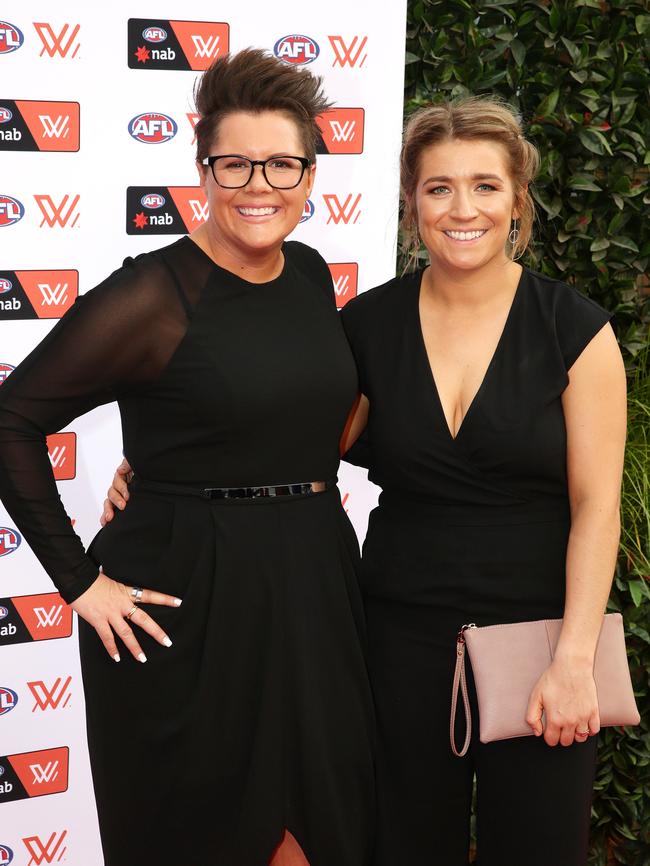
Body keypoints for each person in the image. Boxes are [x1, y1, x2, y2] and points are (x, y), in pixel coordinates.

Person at [104, 97, 627, 864]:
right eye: (438, 187)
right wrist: (159, 465)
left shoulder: (574, 329)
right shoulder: (367, 325)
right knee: (402, 847)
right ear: (411, 204)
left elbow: (597, 505)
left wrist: (575, 659)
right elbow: (289, 429)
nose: (463, 208)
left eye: (486, 186)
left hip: (540, 638)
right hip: (393, 638)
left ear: (518, 199)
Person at [0, 49, 375, 866]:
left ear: (312, 174)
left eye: (282, 163)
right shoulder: (154, 295)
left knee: (321, 832)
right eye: (234, 163)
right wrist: (79, 583)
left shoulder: (311, 274)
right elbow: (12, 421)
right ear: (201, 167)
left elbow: (291, 415)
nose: (259, 185)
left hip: (313, 581)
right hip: (188, 600)